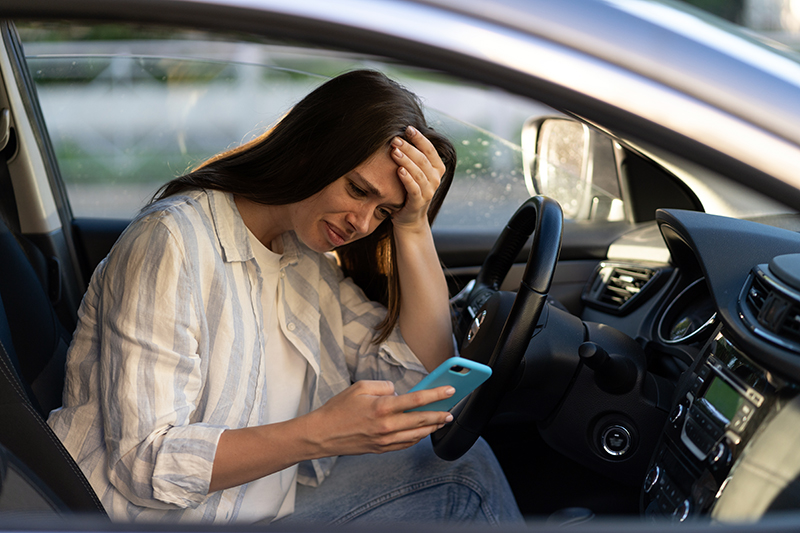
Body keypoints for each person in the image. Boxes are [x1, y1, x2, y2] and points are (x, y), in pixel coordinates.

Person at [48, 70, 523, 525]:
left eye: (383, 211)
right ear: (307, 150)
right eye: (358, 190)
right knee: (467, 480)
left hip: (266, 498)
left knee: (461, 462)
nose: (362, 223)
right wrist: (318, 434)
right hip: (161, 518)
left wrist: (414, 226)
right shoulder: (172, 242)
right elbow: (144, 463)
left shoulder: (304, 257)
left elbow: (415, 376)